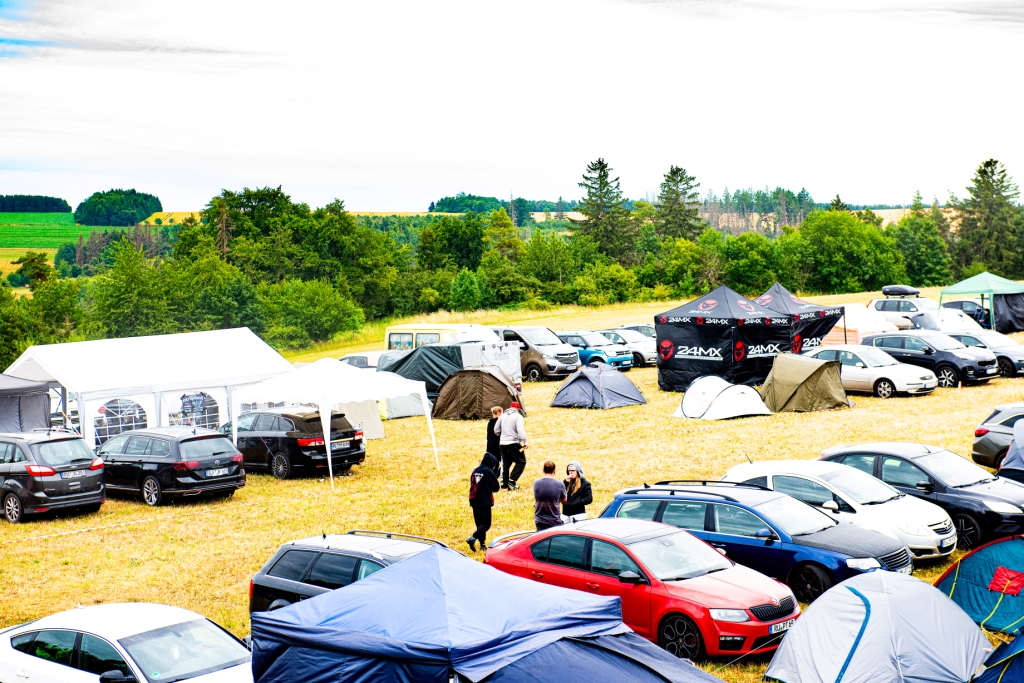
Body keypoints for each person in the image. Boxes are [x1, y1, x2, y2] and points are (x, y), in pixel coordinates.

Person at [467, 453, 500, 552]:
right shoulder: (488, 471)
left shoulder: (476, 470)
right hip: (484, 501)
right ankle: (473, 538)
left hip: (474, 500)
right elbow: (496, 488)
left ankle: (482, 544)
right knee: (486, 524)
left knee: (479, 524)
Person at [495, 401, 528, 490]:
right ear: (518, 408)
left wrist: (502, 437)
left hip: (502, 443)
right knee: (521, 461)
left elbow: (496, 429)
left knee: (505, 464)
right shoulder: (518, 416)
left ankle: (504, 487)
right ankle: (512, 480)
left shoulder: (502, 416)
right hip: (513, 443)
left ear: (510, 406)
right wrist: (524, 441)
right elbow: (520, 431)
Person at [533, 460, 566, 531]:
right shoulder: (560, 484)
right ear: (554, 471)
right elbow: (564, 499)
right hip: (553, 519)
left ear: (543, 470)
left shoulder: (536, 483)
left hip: (539, 519)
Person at [486, 406, 502, 476]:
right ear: (498, 414)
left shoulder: (490, 422)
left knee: (494, 465)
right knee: (505, 463)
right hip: (497, 447)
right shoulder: (498, 423)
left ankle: (493, 478)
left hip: (490, 446)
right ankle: (494, 478)